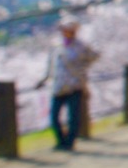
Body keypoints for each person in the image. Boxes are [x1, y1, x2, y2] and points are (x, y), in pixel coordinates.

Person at [40, 18, 99, 151]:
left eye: (68, 30)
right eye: (63, 30)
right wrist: (45, 78)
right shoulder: (57, 46)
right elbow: (51, 65)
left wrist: (81, 70)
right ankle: (61, 140)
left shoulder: (81, 46)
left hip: (75, 86)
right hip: (58, 86)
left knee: (73, 117)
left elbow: (94, 56)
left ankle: (70, 142)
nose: (65, 32)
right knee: (54, 117)